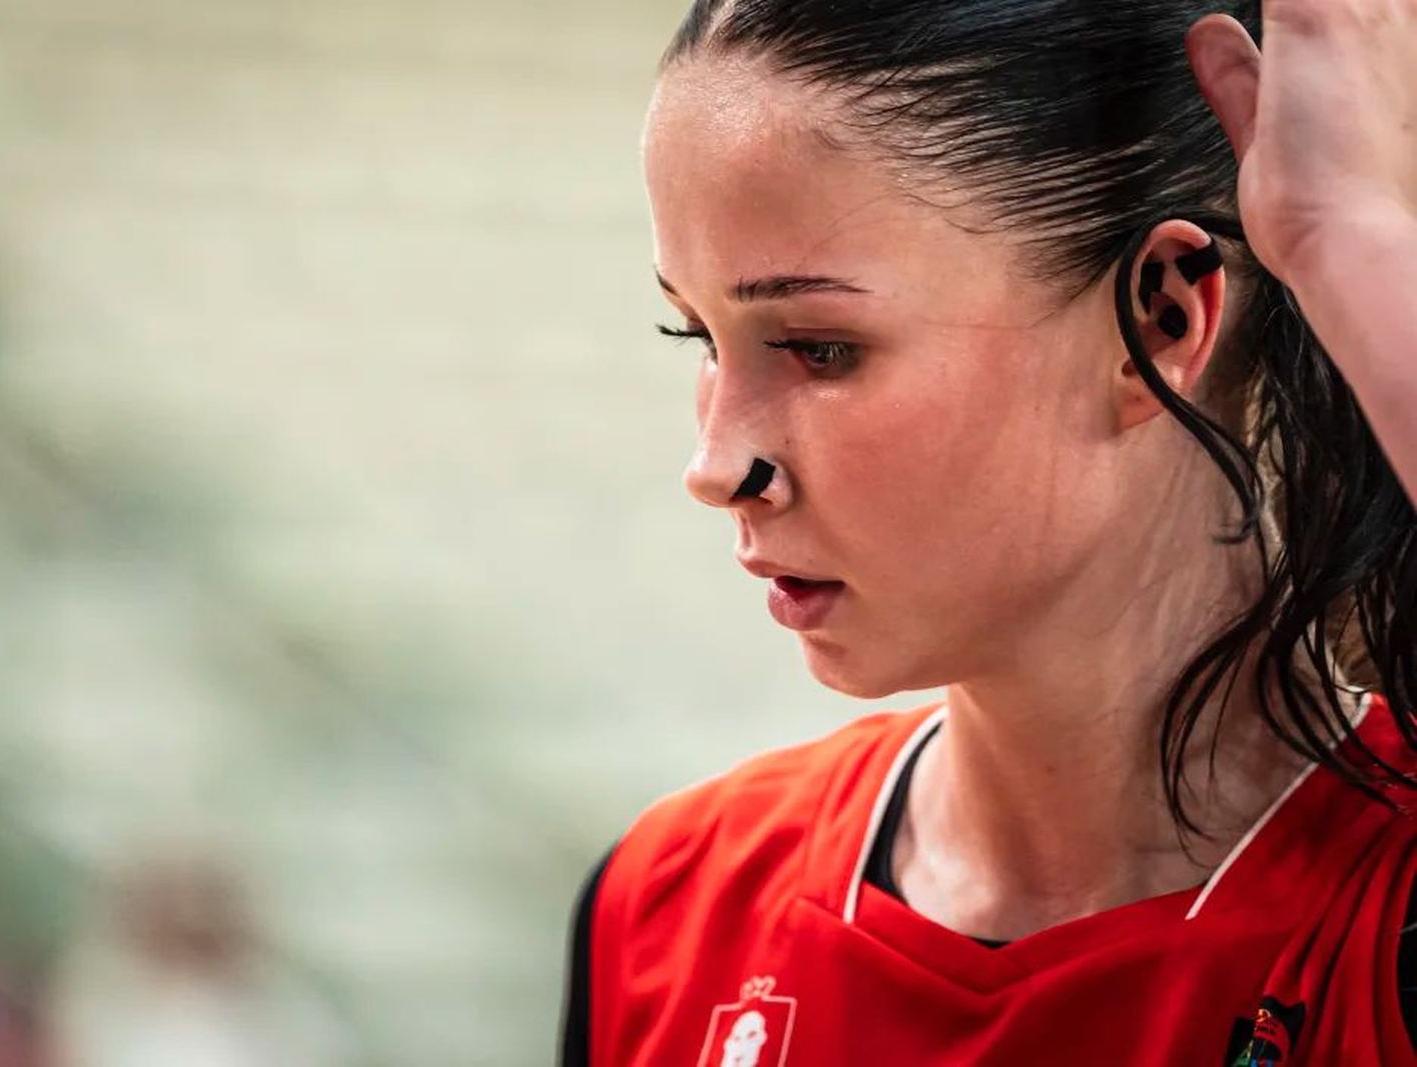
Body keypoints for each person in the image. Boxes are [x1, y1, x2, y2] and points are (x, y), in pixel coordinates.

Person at [558, 1, 1417, 1063]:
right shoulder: (669, 903)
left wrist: (1356, 250)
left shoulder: (1385, 905)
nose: (715, 465)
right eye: (696, 334)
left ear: (1160, 317)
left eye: (818, 347)